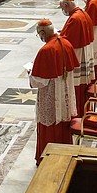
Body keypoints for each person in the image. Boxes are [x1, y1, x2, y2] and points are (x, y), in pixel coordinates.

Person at [28, 19, 78, 164]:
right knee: (63, 123)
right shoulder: (66, 43)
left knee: (49, 124)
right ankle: (65, 154)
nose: (41, 38)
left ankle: (46, 159)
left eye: (39, 34)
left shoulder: (46, 50)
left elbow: (39, 80)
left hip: (51, 94)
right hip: (65, 92)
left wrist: (31, 73)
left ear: (43, 32)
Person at [59, 0, 95, 116]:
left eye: (62, 8)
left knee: (77, 86)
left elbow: (69, 40)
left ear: (66, 5)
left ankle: (77, 113)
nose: (62, 11)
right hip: (84, 52)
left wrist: (58, 38)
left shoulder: (75, 18)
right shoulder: (81, 13)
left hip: (78, 55)